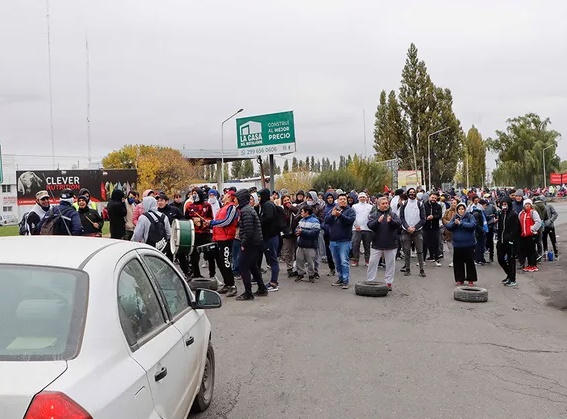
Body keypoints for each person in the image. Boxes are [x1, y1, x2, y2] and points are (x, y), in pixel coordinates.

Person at [234, 189, 268, 301]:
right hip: (255, 242)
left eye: (236, 198)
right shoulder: (247, 209)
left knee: (243, 266)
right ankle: (262, 288)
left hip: (251, 243)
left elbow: (248, 230)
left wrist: (243, 243)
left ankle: (248, 293)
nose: (235, 200)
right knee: (253, 266)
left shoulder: (245, 211)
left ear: (241, 199)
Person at [366, 197, 401, 291]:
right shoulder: (373, 215)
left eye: (386, 203)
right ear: (378, 205)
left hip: (391, 244)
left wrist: (391, 221)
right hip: (377, 243)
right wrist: (378, 221)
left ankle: (389, 283)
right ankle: (370, 281)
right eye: (383, 203)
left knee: (390, 264)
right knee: (372, 263)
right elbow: (370, 225)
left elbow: (399, 224)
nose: (385, 205)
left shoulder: (392, 214)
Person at [209, 191, 239, 297]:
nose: (224, 195)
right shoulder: (223, 207)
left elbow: (227, 222)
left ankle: (232, 286)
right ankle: (227, 283)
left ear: (230, 197)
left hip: (226, 239)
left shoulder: (232, 207)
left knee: (226, 262)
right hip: (218, 238)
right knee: (220, 262)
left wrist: (212, 223)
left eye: (226, 194)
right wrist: (210, 224)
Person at [324, 193, 356, 289]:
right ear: (337, 201)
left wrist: (340, 215)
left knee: (344, 261)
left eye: (344, 199)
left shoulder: (350, 211)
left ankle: (346, 280)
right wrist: (332, 215)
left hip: (344, 240)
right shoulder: (332, 210)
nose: (342, 201)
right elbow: (326, 220)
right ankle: (340, 278)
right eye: (340, 199)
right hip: (333, 240)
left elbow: (350, 221)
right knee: (337, 261)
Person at [185, 187, 215, 279]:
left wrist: (206, 222)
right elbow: (186, 219)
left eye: (195, 193)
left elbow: (211, 218)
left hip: (206, 234)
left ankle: (212, 275)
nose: (194, 195)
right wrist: (192, 221)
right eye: (192, 193)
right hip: (195, 234)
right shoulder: (190, 207)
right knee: (194, 256)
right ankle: (197, 274)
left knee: (210, 255)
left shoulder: (207, 205)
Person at [446, 202, 477, 286]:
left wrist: (461, 223)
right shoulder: (455, 217)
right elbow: (448, 226)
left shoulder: (470, 216)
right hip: (457, 244)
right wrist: (454, 223)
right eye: (459, 209)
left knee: (470, 262)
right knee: (458, 263)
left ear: (465, 209)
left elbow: (473, 225)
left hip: (468, 244)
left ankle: (471, 279)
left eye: (462, 209)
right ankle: (460, 279)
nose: (461, 211)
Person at [399, 188, 427, 277]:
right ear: (407, 194)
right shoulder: (403, 204)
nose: (412, 194)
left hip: (417, 231)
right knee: (406, 251)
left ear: (416, 194)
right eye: (410, 192)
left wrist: (415, 228)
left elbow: (423, 219)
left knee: (420, 251)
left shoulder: (420, 204)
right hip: (405, 231)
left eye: (413, 192)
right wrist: (407, 227)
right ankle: (407, 269)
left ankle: (421, 270)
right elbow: (401, 218)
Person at [258, 188, 281, 291]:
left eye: (260, 196)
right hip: (270, 236)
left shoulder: (267, 205)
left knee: (272, 259)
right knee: (271, 259)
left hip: (271, 237)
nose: (259, 198)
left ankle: (274, 282)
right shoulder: (268, 204)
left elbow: (268, 218)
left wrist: (259, 221)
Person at [496, 196, 520, 286]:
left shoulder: (513, 214)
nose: (503, 206)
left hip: (510, 241)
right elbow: (500, 227)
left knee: (511, 260)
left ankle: (512, 279)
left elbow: (515, 229)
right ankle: (509, 274)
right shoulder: (501, 213)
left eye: (505, 204)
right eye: (502, 204)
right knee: (500, 259)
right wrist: (498, 238)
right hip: (501, 240)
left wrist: (512, 240)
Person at [294, 206, 321, 282]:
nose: (301, 213)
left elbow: (315, 233)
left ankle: (311, 275)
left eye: (302, 211)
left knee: (310, 261)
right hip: (301, 244)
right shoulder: (301, 220)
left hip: (310, 245)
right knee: (299, 260)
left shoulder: (315, 221)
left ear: (307, 212)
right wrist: (297, 232)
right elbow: (297, 228)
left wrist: (302, 232)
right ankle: (300, 274)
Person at [518, 199, 542, 272]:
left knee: (532, 250)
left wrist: (532, 229)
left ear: (531, 205)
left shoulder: (533, 212)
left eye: (528, 204)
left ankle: (533, 265)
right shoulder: (521, 213)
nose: (527, 205)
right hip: (524, 235)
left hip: (532, 235)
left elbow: (538, 222)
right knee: (526, 250)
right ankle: (529, 265)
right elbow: (519, 223)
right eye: (526, 204)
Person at [351, 192, 373, 267]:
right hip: (356, 228)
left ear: (366, 198)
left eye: (364, 197)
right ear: (358, 198)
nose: (362, 198)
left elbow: (372, 217)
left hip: (367, 229)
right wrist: (356, 225)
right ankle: (355, 260)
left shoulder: (370, 206)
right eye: (361, 197)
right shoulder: (354, 206)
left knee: (367, 245)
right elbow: (352, 217)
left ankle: (367, 260)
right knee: (355, 244)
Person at [281, 194, 299, 277]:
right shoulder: (281, 210)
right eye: (285, 201)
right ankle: (289, 268)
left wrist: (290, 207)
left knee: (297, 251)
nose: (287, 202)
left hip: (295, 232)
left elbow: (298, 213)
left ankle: (298, 268)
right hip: (286, 234)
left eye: (288, 200)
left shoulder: (294, 207)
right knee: (288, 251)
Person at [423, 192, 443, 266]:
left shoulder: (438, 206)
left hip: (435, 228)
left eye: (435, 198)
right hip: (426, 227)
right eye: (432, 197)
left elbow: (440, 215)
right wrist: (426, 218)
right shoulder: (424, 205)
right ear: (429, 197)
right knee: (424, 244)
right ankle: (423, 260)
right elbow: (422, 214)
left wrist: (433, 217)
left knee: (435, 244)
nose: (433, 199)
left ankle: (436, 260)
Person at [321, 192, 337, 276]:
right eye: (328, 198)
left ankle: (339, 268)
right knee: (328, 251)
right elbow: (322, 219)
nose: (330, 199)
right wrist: (323, 226)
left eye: (331, 198)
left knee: (336, 251)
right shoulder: (324, 207)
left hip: (335, 233)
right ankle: (332, 268)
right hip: (327, 233)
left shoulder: (337, 207)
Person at [441, 198, 458, 268]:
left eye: (454, 203)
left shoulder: (459, 211)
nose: (453, 204)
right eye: (452, 203)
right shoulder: (447, 211)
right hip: (448, 231)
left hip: (456, 231)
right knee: (450, 247)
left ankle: (456, 260)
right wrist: (448, 223)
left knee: (456, 247)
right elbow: (443, 219)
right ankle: (453, 260)